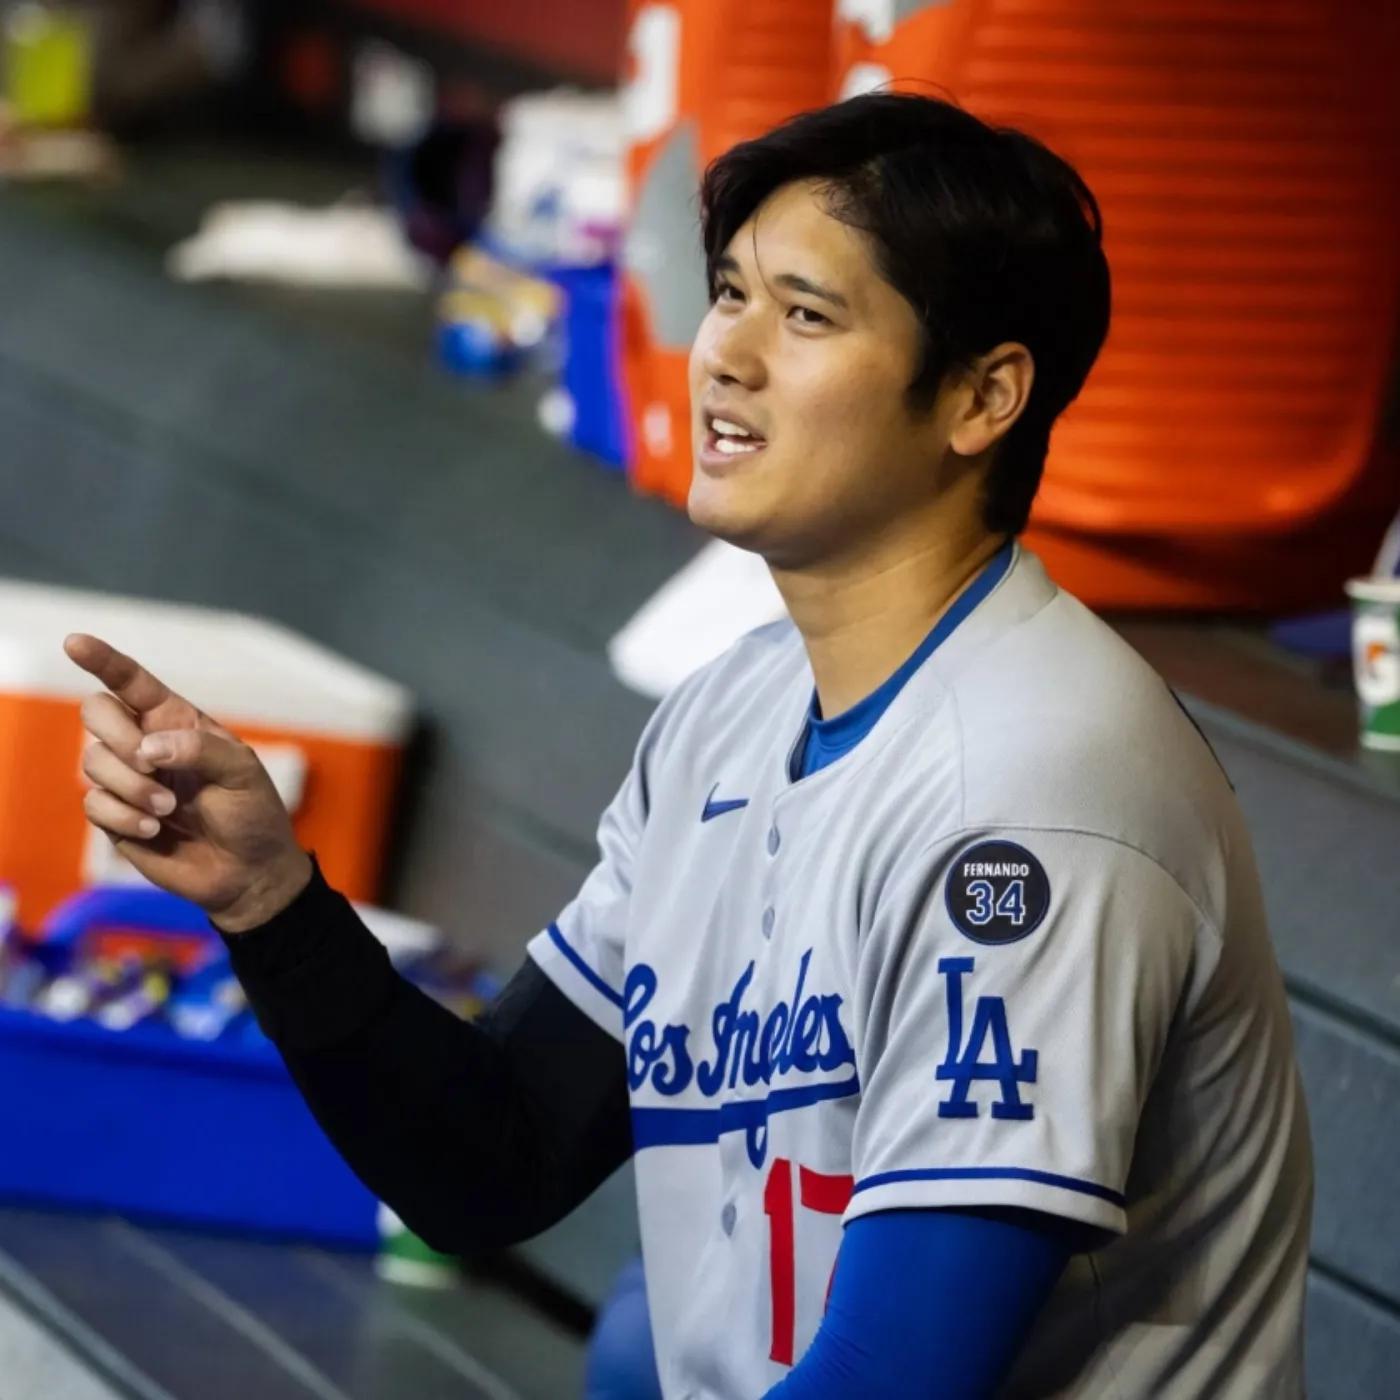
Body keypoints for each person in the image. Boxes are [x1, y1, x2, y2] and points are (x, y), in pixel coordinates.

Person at [65, 91, 1313, 1400]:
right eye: (730, 294)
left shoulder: (1030, 800)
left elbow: (895, 1381)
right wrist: (271, 904)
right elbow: (495, 1159)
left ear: (982, 397)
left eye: (807, 314)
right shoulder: (734, 713)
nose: (726, 353)